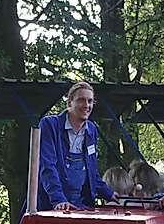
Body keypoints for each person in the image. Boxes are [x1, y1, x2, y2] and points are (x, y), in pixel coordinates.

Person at [32, 81, 118, 212]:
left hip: (79, 206)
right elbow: (47, 167)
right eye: (81, 100)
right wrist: (59, 200)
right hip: (50, 206)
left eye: (90, 101)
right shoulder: (50, 125)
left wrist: (108, 193)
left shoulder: (91, 130)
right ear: (69, 102)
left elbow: (91, 171)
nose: (87, 106)